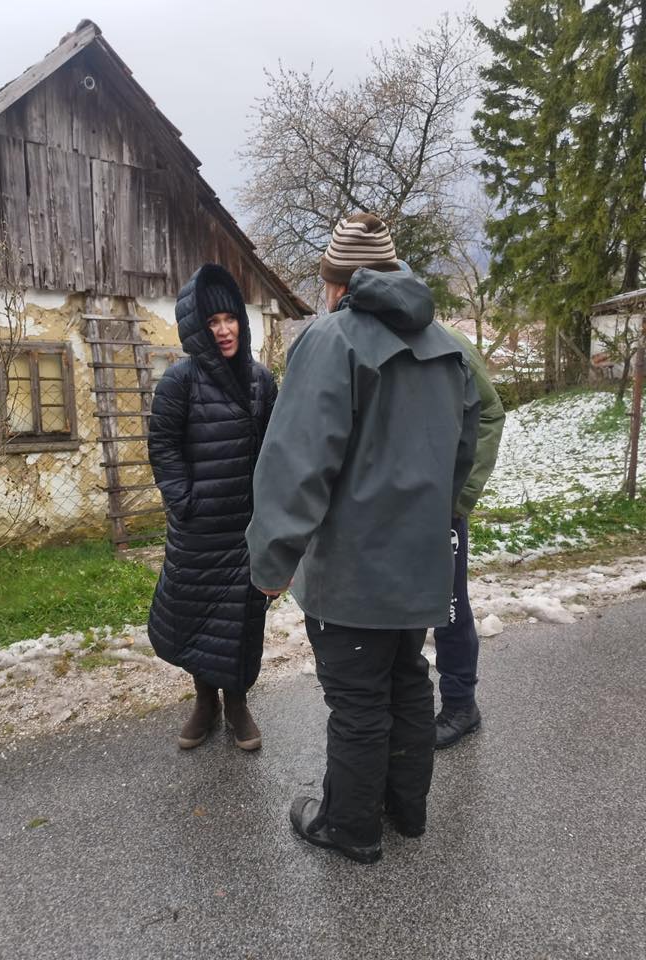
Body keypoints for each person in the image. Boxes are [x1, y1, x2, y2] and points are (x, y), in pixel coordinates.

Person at [246, 213, 480, 864]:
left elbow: (297, 461)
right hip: (420, 562)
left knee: (357, 699)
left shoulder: (332, 340)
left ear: (336, 284)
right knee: (407, 680)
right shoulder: (446, 344)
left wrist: (271, 560)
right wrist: (436, 515)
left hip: (353, 571)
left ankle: (349, 827)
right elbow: (464, 447)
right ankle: (407, 811)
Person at [147, 263, 277, 752]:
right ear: (197, 329)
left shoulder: (261, 381)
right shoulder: (179, 381)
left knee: (242, 622)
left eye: (230, 319)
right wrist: (184, 502)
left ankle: (238, 703)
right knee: (196, 618)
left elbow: (275, 451)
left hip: (246, 530)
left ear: (241, 321)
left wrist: (272, 513)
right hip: (198, 531)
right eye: (212, 322)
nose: (223, 330)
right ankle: (205, 701)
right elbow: (163, 446)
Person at [432, 324, 505, 749]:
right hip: (388, 515)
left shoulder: (449, 343)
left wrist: (460, 497)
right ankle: (402, 708)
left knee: (450, 607)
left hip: (443, 508)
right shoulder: (362, 340)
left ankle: (461, 705)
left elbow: (490, 413)